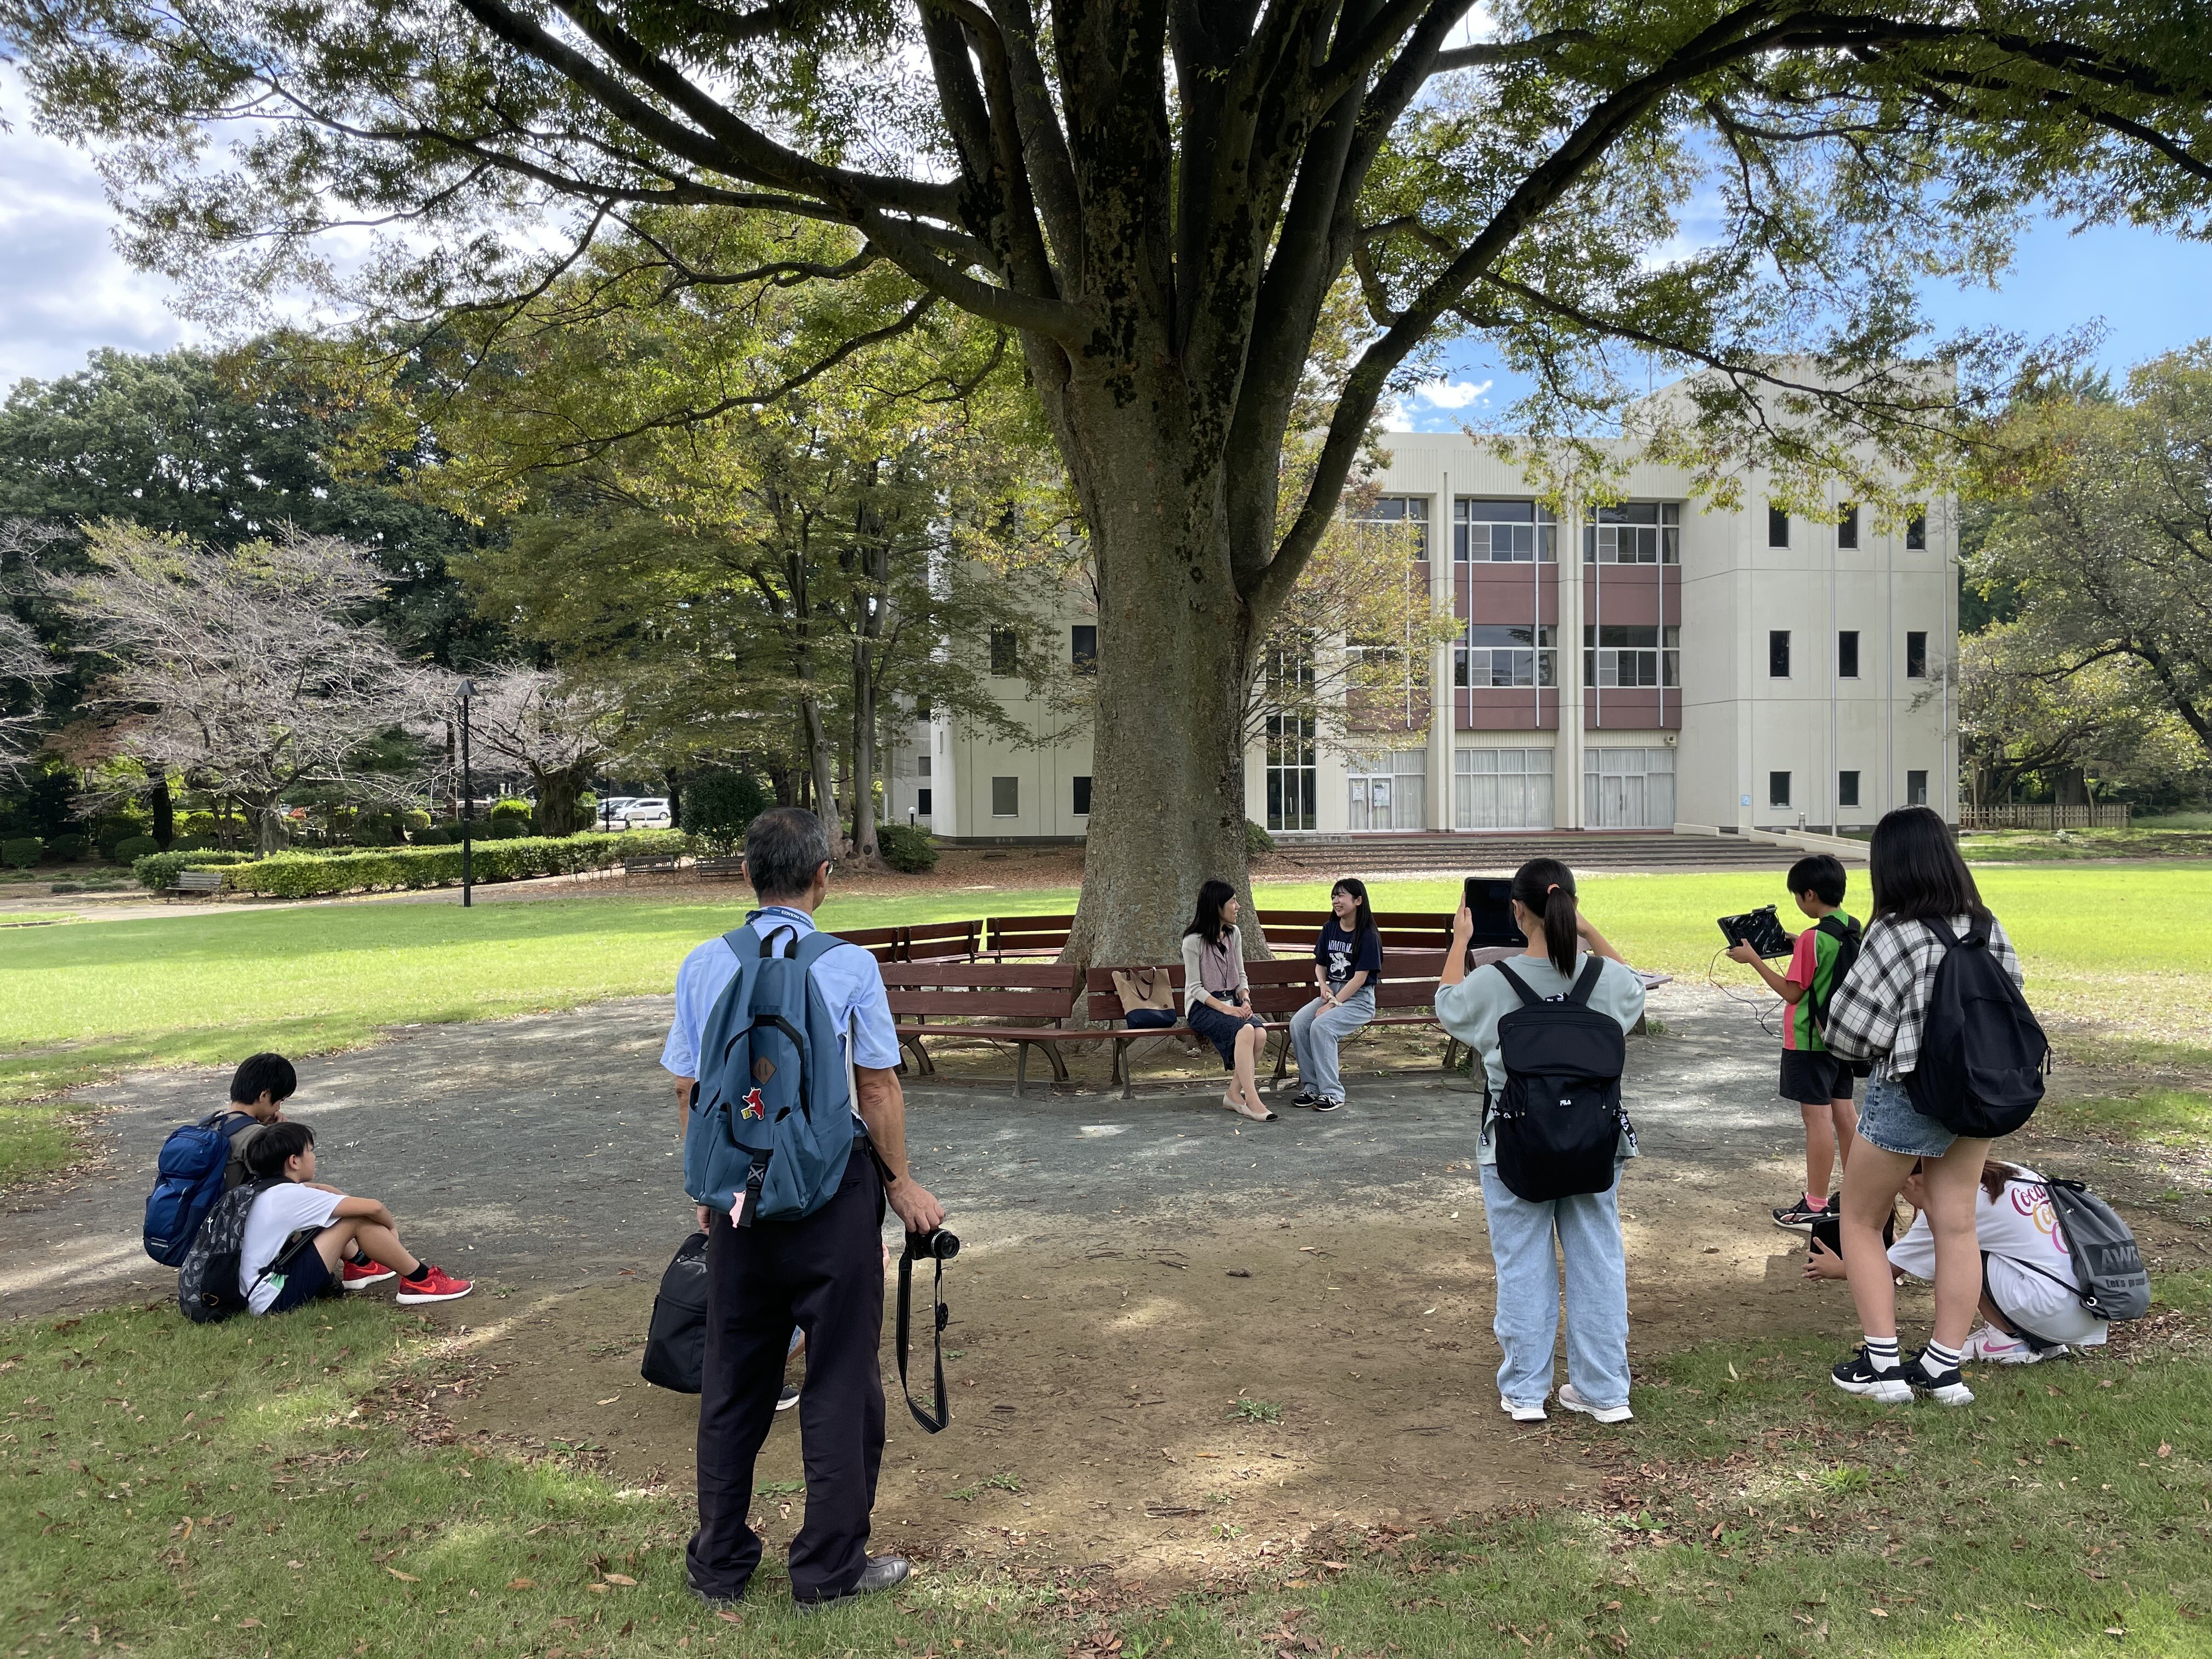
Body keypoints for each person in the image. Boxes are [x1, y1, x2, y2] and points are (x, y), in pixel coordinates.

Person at [662, 806, 946, 1610]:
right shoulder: (849, 966)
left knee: (734, 1379)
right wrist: (901, 1184)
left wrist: (707, 1190)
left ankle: (718, 1564)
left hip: (739, 1200)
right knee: (839, 1378)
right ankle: (827, 1567)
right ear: (826, 876)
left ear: (746, 875)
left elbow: (689, 1088)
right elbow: (879, 1085)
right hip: (831, 1193)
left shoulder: (702, 963)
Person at [1821, 804, 2025, 1407]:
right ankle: (1943, 1367)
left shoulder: (1895, 933)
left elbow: (1850, 1033)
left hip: (1909, 1091)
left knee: (1859, 1219)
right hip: (1980, 1096)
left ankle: (1882, 1363)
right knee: (1956, 1223)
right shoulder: (1988, 926)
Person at [1435, 857, 1646, 1425]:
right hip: (1594, 1144)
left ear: (1517, 910)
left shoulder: (1492, 983)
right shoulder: (1605, 982)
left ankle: (1527, 1392)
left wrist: (1460, 941)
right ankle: (1604, 1391)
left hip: (1513, 1143)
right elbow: (1635, 988)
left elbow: (1446, 1006)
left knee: (1523, 1264)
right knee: (1597, 1260)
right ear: (1570, 907)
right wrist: (1588, 932)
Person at [1806, 1159, 2108, 1364]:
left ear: (1911, 1182)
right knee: (1992, 1250)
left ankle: (2006, 1340)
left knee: (1958, 1252)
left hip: (2052, 1309)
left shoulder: (1950, 1205)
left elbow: (1888, 1271)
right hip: (2087, 1306)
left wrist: (1839, 1270)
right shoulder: (2010, 1173)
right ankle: (2045, 1342)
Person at [1725, 854, 1862, 1230]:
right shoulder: (1849, 927)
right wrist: (1796, 942)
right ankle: (1857, 1194)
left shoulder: (1812, 940)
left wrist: (1753, 958)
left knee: (1816, 1120)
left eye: (1798, 897)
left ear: (1810, 895)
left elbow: (1791, 992)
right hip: (1841, 1039)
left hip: (1808, 1041)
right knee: (1845, 1115)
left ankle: (1815, 1205)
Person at [235, 1122, 473, 1314]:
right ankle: (421, 1281)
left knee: (331, 1217)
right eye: (310, 1150)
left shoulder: (263, 1191)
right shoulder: (291, 1196)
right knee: (355, 1220)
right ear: (294, 1161)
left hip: (258, 1292)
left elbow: (320, 1189)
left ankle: (362, 1265)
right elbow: (374, 1208)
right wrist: (391, 1231)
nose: (314, 1157)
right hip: (273, 1300)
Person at [222, 1051, 391, 1290]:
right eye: (280, 1100)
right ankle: (362, 1262)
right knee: (311, 1200)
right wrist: (280, 1135)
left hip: (218, 1224)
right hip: (246, 1231)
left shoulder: (215, 1123)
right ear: (264, 1096)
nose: (279, 1107)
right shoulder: (253, 1136)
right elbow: (283, 1179)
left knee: (314, 1197)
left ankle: (359, 1261)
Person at [1181, 878, 1274, 1123]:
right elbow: (1195, 989)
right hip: (1203, 1008)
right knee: (1245, 1031)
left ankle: (1234, 1093)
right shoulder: (1193, 942)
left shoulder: (1234, 935)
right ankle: (1252, 1100)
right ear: (1217, 907)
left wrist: (1245, 999)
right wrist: (1226, 1009)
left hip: (1232, 1002)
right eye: (1233, 901)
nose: (1238, 906)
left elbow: (1241, 975)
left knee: (1260, 1033)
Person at [1286, 878, 1381, 1113]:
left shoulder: (1368, 935)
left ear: (1358, 900)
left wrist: (1332, 1005)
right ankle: (1312, 1087)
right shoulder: (1330, 929)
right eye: (1334, 896)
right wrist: (1322, 986)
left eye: (1341, 896)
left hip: (1358, 1000)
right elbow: (1320, 965)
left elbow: (1360, 979)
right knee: (1299, 1023)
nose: (1336, 901)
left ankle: (1332, 1093)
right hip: (1332, 992)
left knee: (1322, 1027)